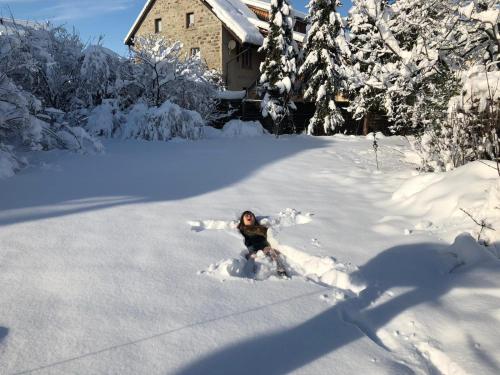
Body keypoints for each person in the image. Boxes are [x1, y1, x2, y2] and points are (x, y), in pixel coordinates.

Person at [237, 210, 287, 276]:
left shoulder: (261, 228)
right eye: (246, 215)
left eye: (251, 215)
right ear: (242, 220)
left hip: (265, 247)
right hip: (251, 249)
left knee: (271, 251)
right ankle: (249, 274)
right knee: (251, 257)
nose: (249, 216)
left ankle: (280, 269)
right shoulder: (241, 229)